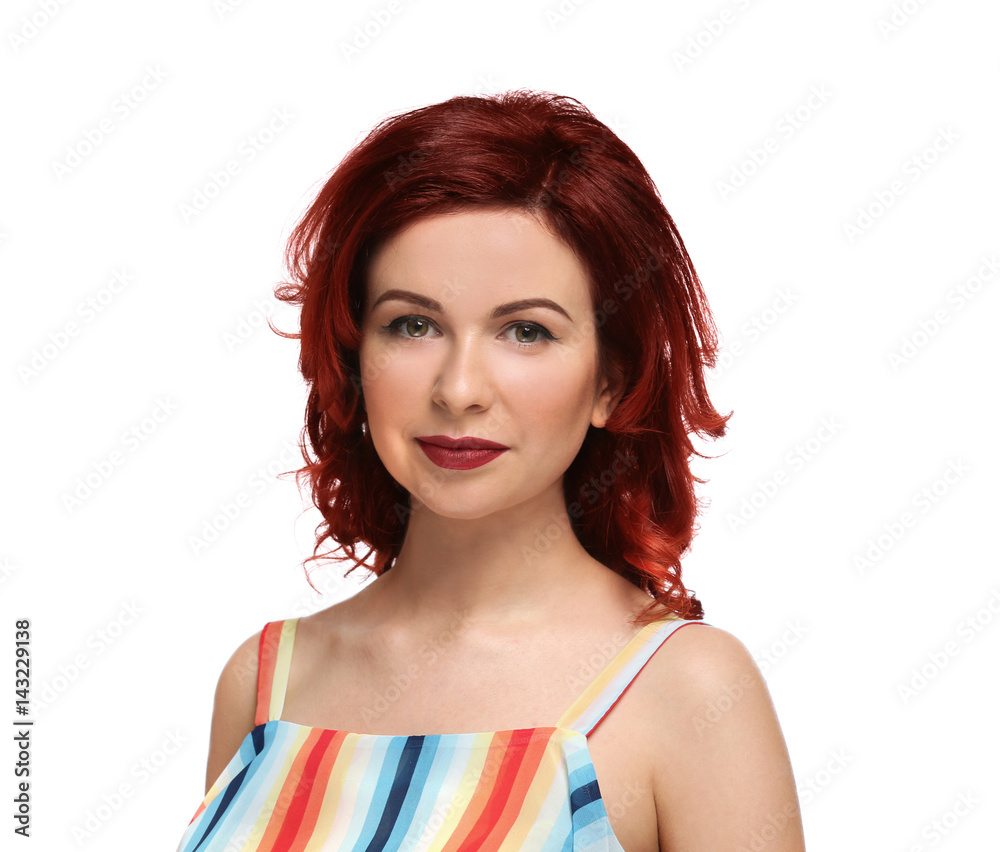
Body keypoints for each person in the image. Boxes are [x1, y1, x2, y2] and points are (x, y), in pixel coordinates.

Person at [176, 89, 806, 852]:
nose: (459, 389)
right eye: (412, 324)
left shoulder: (688, 690)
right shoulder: (263, 684)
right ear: (353, 358)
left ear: (611, 382)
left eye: (526, 331)